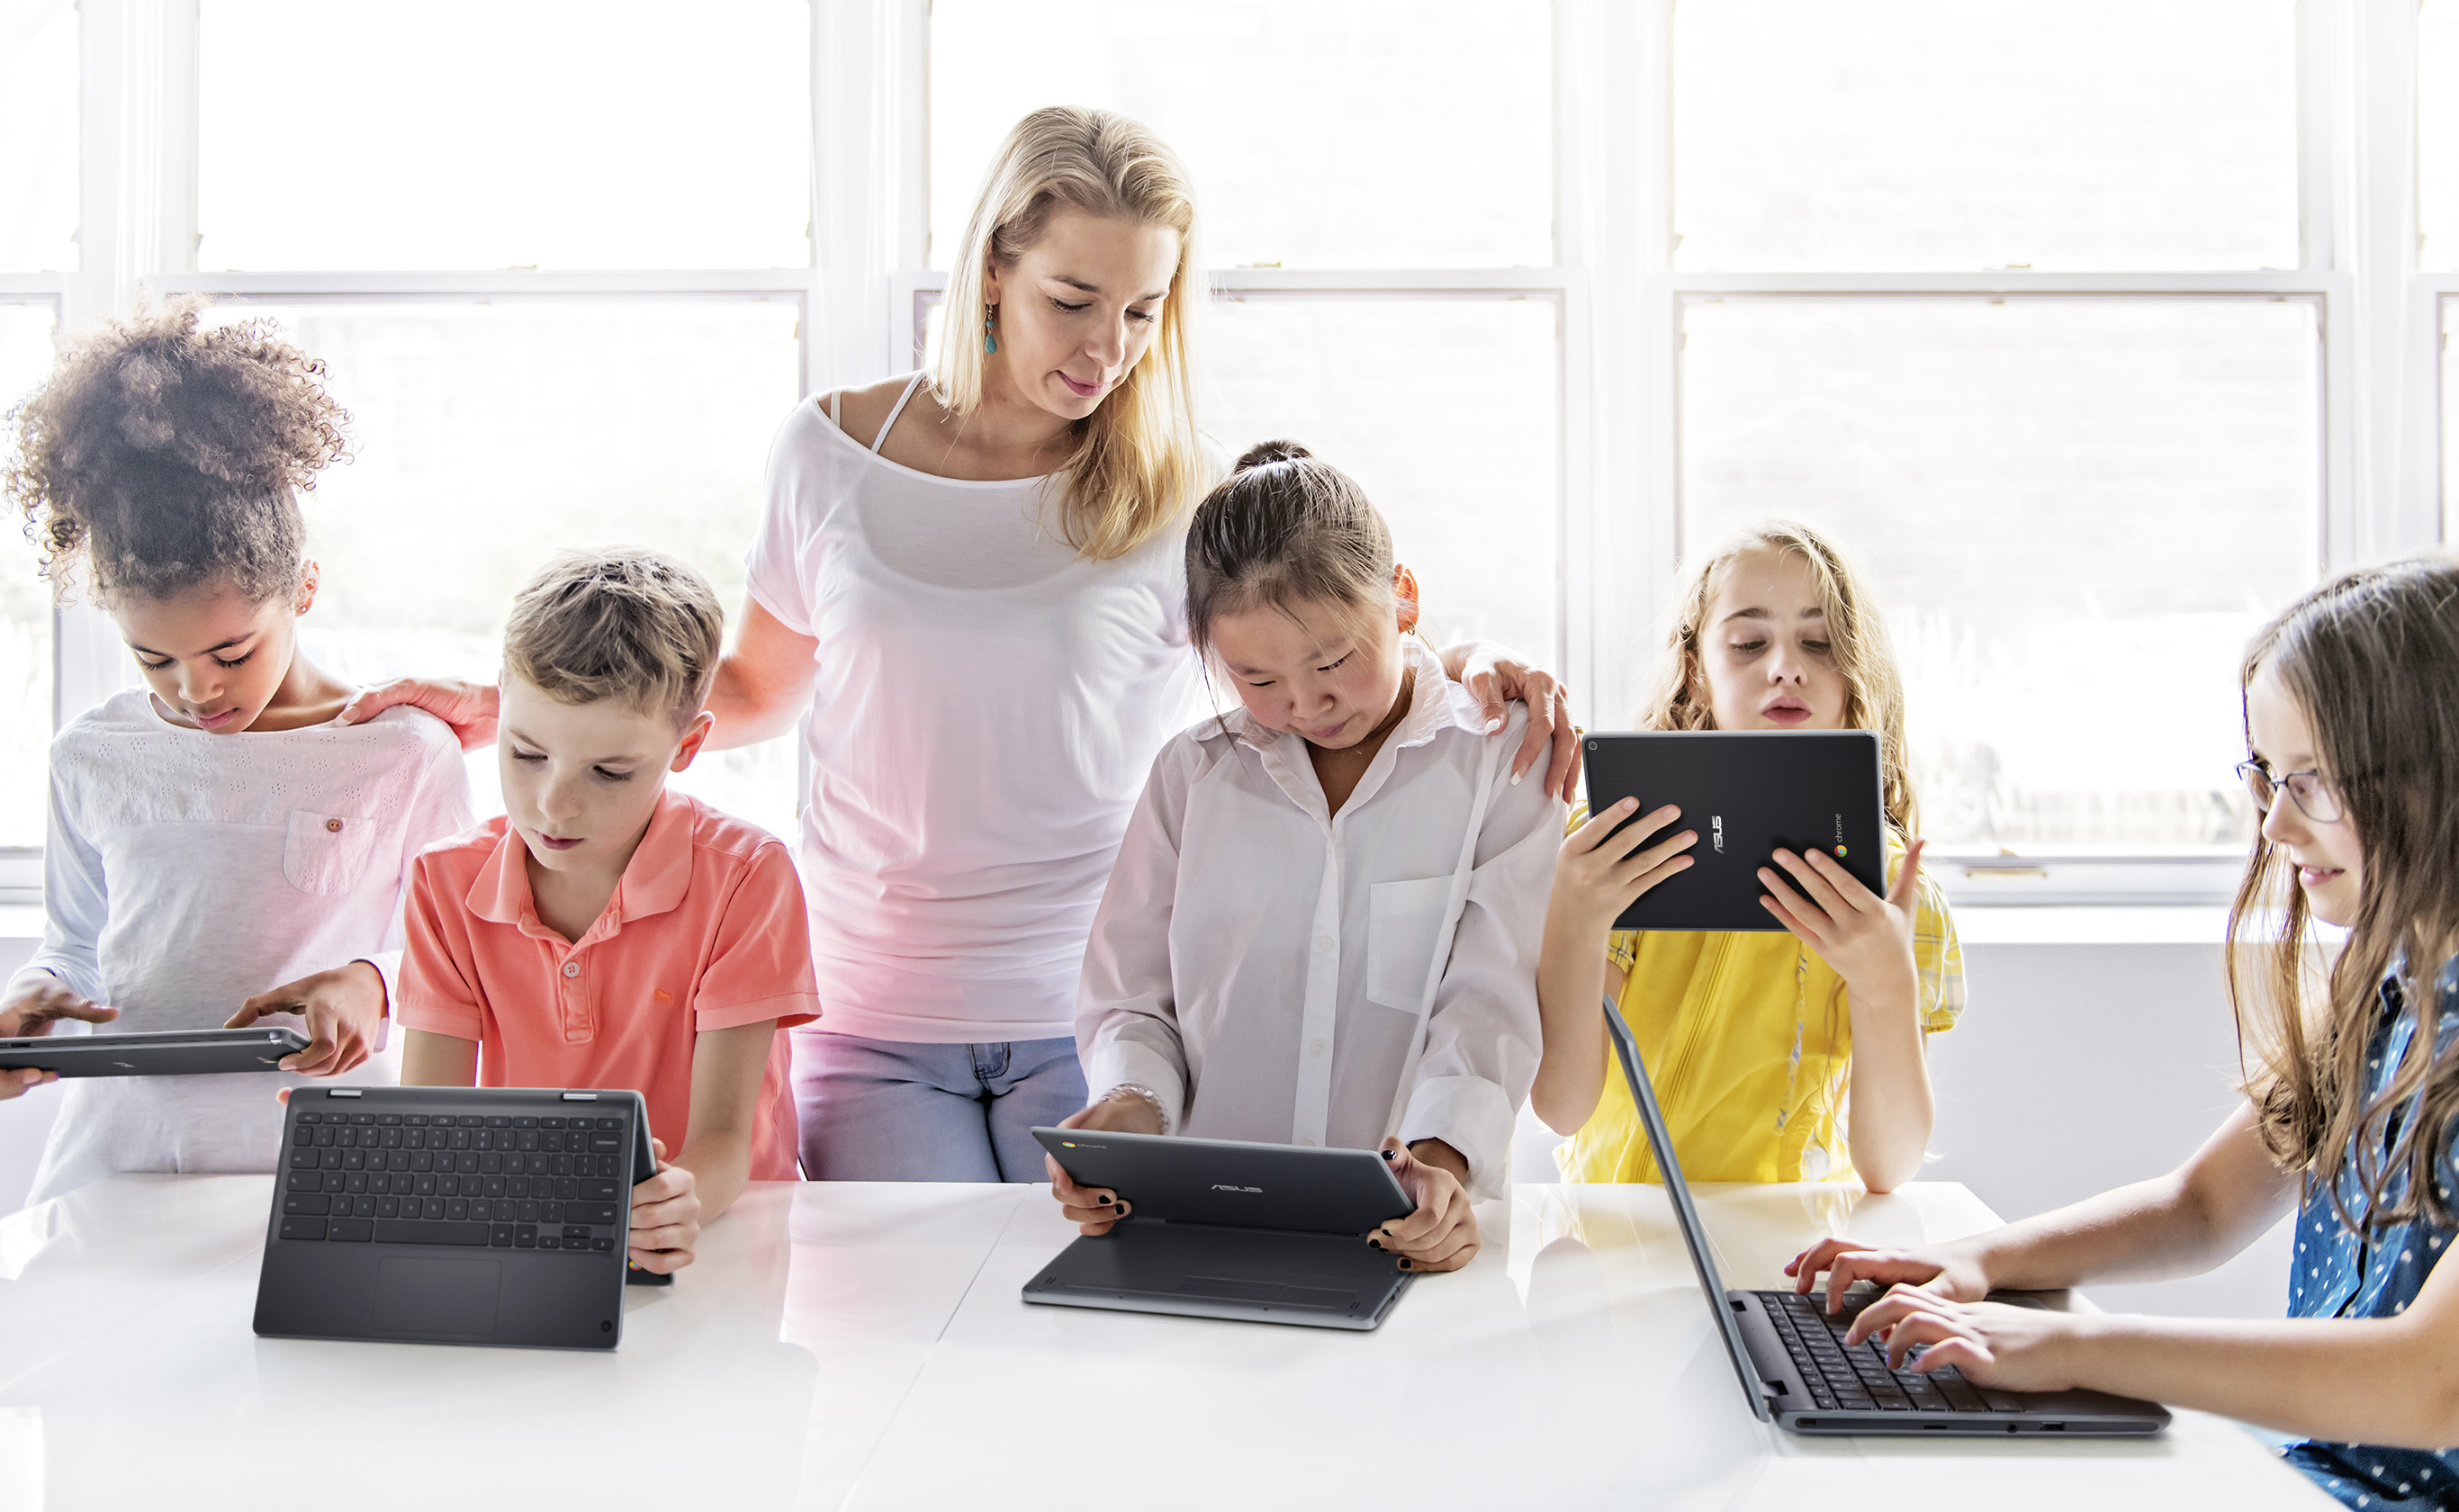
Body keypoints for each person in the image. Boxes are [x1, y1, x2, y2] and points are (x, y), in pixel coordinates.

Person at [338, 105, 1579, 1184]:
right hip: (872, 1009)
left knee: (1080, 1341)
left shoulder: (1176, 491)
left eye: (1141, 312)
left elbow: (1317, 635)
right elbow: (756, 688)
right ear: (992, 269)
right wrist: (520, 717)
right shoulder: (831, 453)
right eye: (1071, 302)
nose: (1106, 350)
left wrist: (1465, 663)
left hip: (1097, 1021)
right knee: (901, 1345)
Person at [1788, 554, 2459, 1510]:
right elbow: (2202, 1206)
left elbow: (2430, 1386)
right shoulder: (2386, 987)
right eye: (2266, 779)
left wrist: (2072, 1346)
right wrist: (1976, 1261)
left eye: (2311, 782)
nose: (2273, 826)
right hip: (2306, 1478)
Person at [0, 299, 472, 1199]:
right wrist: (35, 997)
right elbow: (75, 945)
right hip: (117, 1164)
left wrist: (371, 983)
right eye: (154, 658)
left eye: (231, 652)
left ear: (303, 589)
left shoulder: (404, 754)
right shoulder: (91, 756)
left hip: (325, 1170)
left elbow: (455, 955)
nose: (196, 690)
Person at [1048, 442, 1559, 1274]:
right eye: (1257, 679)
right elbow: (1134, 997)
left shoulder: (1499, 759)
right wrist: (1129, 1111)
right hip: (1204, 1229)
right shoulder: (1193, 776)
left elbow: (1491, 995)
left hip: (1407, 1235)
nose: (1306, 703)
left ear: (1403, 598)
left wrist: (1442, 1162)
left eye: (1332, 662)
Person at [396, 550, 817, 1274]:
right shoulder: (444, 882)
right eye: (527, 754)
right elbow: (430, 1127)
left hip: (718, 1243)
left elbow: (724, 1141)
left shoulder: (748, 877)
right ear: (502, 704)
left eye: (610, 772)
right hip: (529, 1244)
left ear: (687, 745)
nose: (554, 806)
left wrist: (670, 1202)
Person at [1531, 521, 1964, 1193]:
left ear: (1854, 675)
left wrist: (1886, 984)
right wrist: (1576, 920)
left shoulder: (1892, 892)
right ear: (1695, 674)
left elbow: (1890, 1165)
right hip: (1618, 1229)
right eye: (1748, 643)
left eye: (1820, 643)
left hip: (1791, 1238)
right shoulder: (1616, 850)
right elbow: (1561, 1108)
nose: (1787, 666)